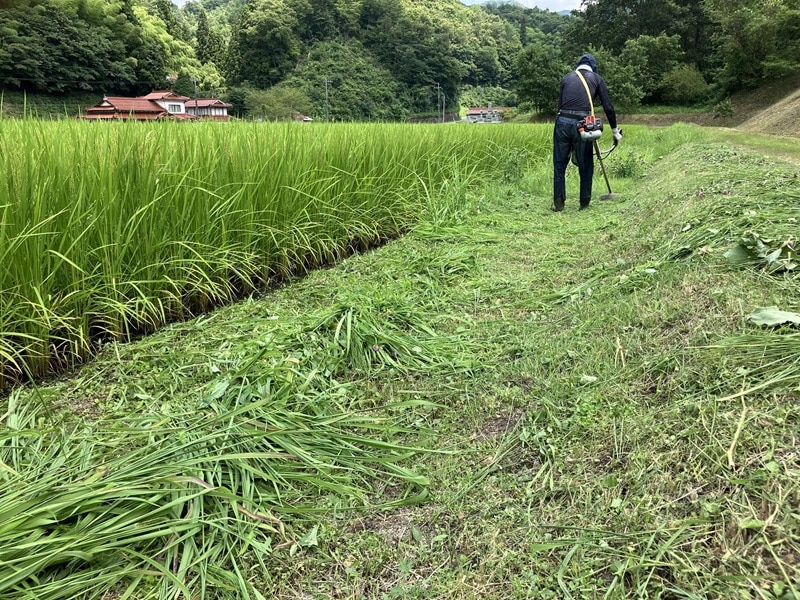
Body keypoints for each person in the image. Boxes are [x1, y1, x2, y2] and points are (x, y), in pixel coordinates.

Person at [552, 53, 622, 212]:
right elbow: (608, 107)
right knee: (585, 164)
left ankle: (559, 202)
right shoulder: (597, 79)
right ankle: (584, 202)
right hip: (583, 123)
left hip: (562, 121)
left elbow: (560, 105)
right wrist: (614, 131)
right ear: (593, 67)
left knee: (559, 163)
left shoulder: (566, 78)